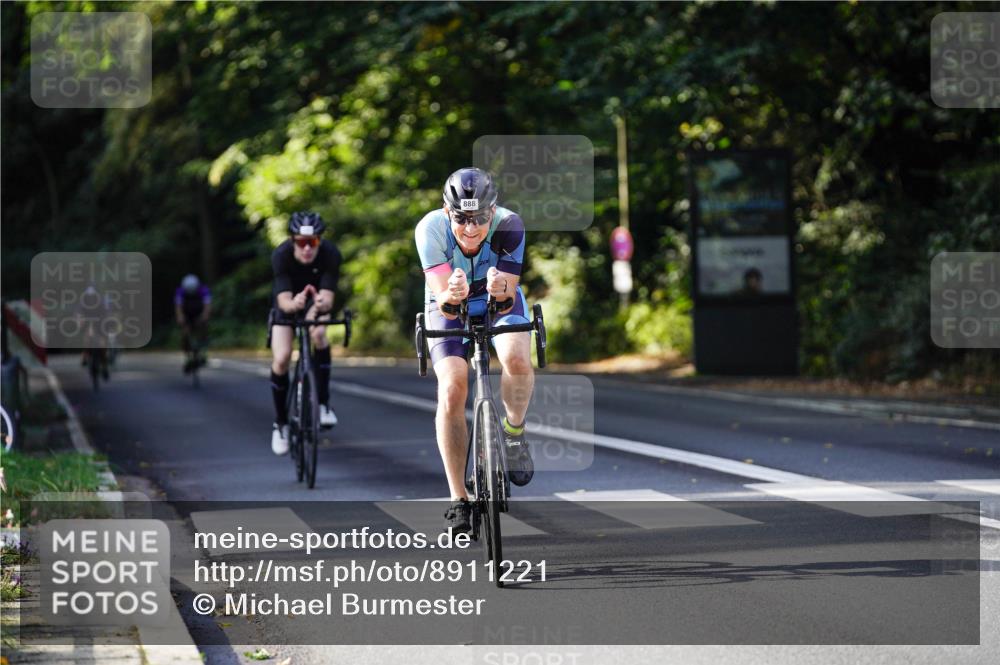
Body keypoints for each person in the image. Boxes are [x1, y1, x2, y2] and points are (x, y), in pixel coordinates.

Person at [414, 167, 535, 534]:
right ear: (447, 212)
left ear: (493, 210)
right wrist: (451, 293)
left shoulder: (510, 225)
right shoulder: (429, 229)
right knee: (452, 388)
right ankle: (458, 498)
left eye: (480, 218)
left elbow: (508, 295)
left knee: (515, 357)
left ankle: (513, 434)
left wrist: (500, 288)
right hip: (448, 300)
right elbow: (445, 302)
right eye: (462, 219)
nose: (471, 228)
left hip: (497, 300)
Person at [268, 211, 341, 455]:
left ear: (320, 241)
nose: (307, 248)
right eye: (301, 242)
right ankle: (281, 423)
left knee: (319, 335)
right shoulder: (281, 256)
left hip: (316, 305)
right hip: (288, 304)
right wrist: (297, 305)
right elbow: (284, 302)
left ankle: (322, 405)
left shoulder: (331, 254)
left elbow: (328, 300)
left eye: (313, 242)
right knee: (282, 358)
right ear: (292, 241)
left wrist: (318, 306)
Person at [175, 274, 212, 374]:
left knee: (203, 326)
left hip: (198, 312)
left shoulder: (203, 290)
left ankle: (203, 351)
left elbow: (207, 306)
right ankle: (187, 357)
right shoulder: (181, 291)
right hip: (187, 313)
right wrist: (180, 317)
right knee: (185, 334)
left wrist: (205, 316)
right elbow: (178, 307)